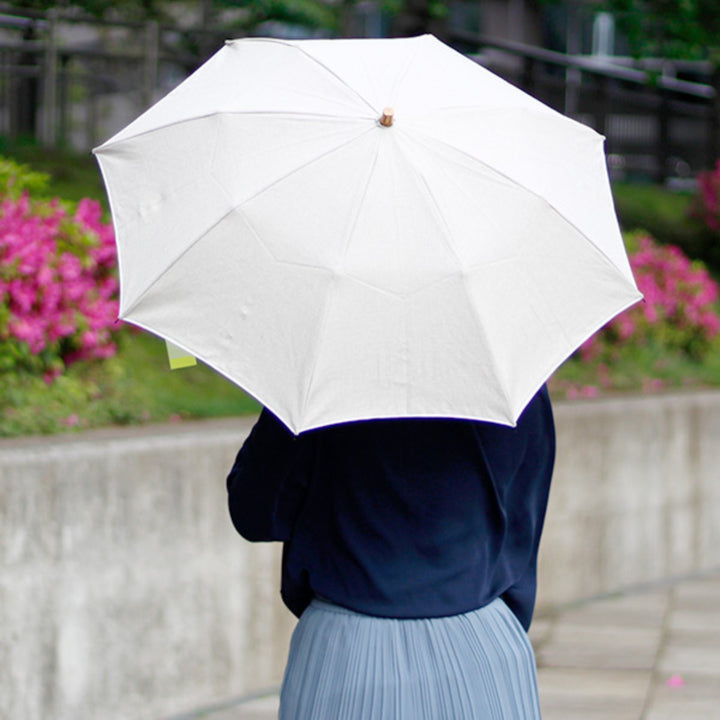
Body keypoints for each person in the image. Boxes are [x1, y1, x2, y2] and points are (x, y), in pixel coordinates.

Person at [226, 385, 555, 719]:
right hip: (483, 641)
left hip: (348, 650)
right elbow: (524, 521)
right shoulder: (508, 378)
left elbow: (254, 514)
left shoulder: (318, 384)